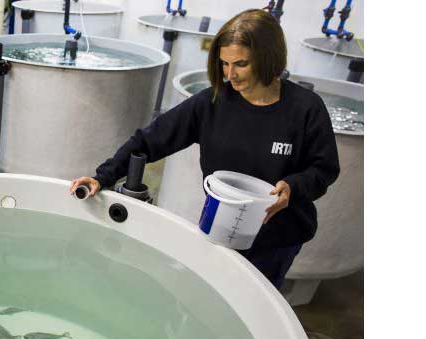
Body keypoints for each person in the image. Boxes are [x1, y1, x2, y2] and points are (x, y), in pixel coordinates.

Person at [69, 9, 340, 289]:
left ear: (268, 57)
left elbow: (325, 169)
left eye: (242, 64)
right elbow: (149, 140)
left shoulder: (305, 109)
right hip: (220, 229)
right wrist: (103, 176)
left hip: (278, 239)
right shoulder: (212, 103)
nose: (230, 75)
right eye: (224, 64)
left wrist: (293, 187)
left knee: (252, 311)